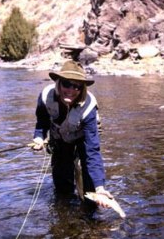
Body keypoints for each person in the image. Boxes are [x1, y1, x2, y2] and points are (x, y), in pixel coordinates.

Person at [32, 60, 112, 207]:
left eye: (77, 86)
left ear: (82, 89)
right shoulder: (45, 97)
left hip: (83, 139)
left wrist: (100, 188)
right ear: (58, 83)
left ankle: (90, 219)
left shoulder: (89, 108)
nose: (71, 90)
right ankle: (64, 213)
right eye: (67, 84)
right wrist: (38, 137)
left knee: (90, 187)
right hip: (60, 139)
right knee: (62, 186)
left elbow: (92, 150)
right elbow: (42, 122)